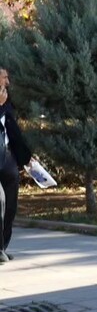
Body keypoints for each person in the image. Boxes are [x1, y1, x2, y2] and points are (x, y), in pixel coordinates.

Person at [0, 68, 33, 262]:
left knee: (10, 206)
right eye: (4, 77)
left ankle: (3, 246)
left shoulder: (7, 102)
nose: (8, 82)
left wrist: (26, 158)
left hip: (8, 160)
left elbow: (13, 132)